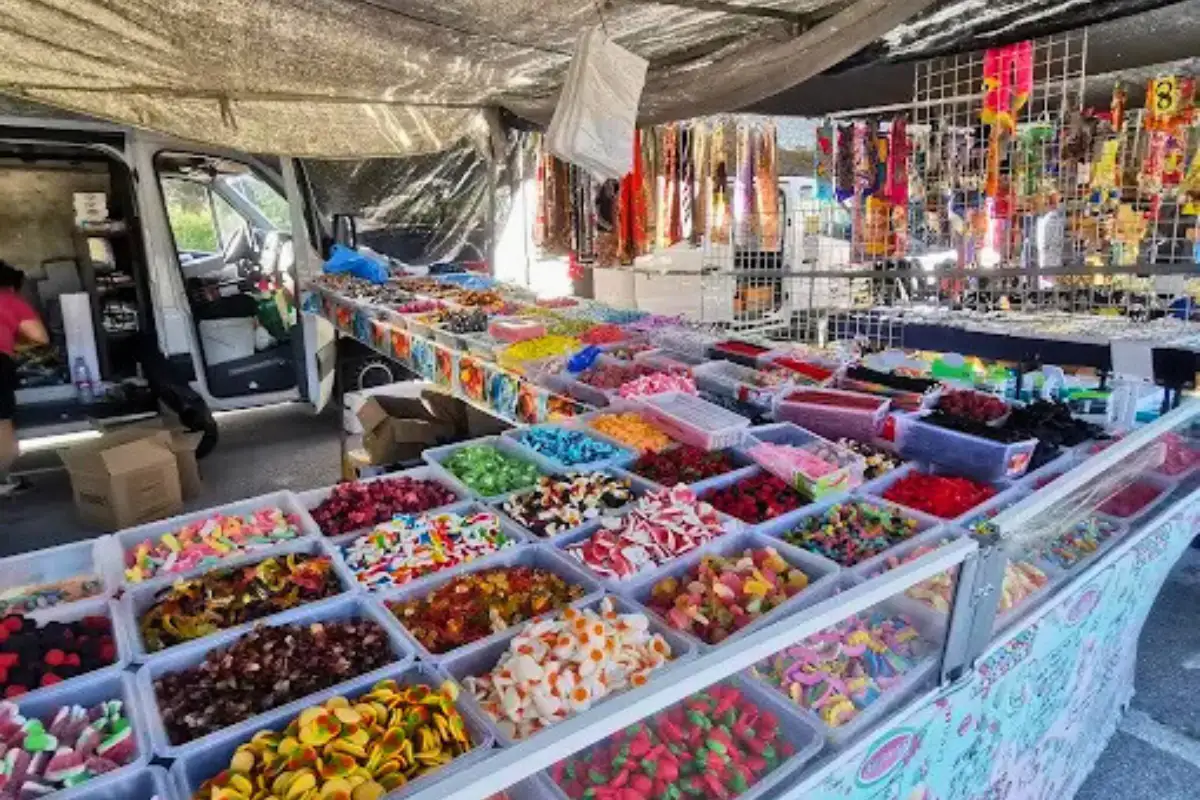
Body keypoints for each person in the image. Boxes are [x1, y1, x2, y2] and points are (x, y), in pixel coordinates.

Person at [0, 261, 48, 497]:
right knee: (2, 423)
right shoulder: (10, 301)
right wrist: (14, 345)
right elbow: (40, 338)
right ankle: (2, 480)